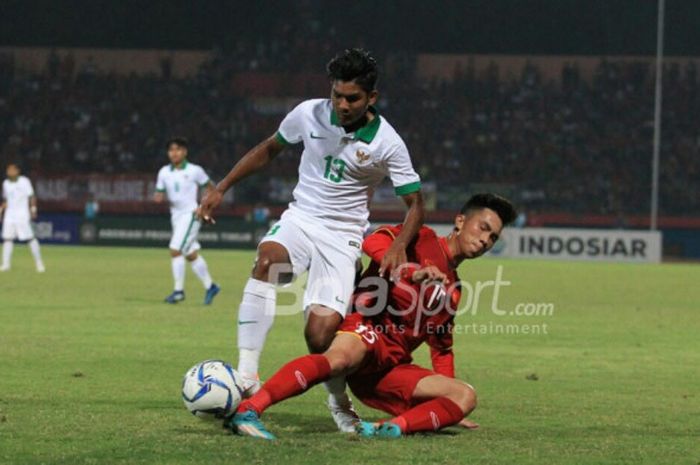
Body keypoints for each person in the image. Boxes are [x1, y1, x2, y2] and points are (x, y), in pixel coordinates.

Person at [198, 48, 425, 432]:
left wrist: (401, 242)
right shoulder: (308, 113)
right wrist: (223, 187)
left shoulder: (388, 143)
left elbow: (415, 203)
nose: (341, 104)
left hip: (342, 238)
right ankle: (249, 376)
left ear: (371, 98)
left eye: (352, 98)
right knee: (266, 261)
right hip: (301, 218)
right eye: (337, 94)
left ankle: (339, 403)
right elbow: (269, 149)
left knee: (319, 335)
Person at [229, 194, 517, 439]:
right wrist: (409, 271)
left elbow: (442, 348)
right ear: (460, 221)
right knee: (339, 359)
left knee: (465, 396)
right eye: (483, 228)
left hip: (389, 368)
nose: (485, 240)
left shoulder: (453, 290)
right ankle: (249, 409)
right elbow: (373, 242)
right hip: (365, 329)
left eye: (492, 237)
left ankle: (385, 429)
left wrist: (447, 403)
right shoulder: (422, 238)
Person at [154, 137, 220, 305]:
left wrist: (204, 207)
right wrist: (158, 197)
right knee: (190, 254)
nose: (174, 153)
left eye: (177, 149)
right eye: (171, 150)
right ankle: (210, 286)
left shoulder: (194, 170)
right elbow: (159, 193)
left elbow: (212, 189)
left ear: (185, 152)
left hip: (191, 214)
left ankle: (178, 292)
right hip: (175, 216)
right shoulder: (164, 172)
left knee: (175, 249)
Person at [1, 163, 45, 272]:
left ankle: (39, 263)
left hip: (22, 215)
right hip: (9, 216)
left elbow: (32, 196)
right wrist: (1, 211)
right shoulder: (5, 183)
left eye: (11, 170)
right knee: (7, 239)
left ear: (17, 171)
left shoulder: (24, 181)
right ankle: (6, 265)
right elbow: (6, 200)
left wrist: (33, 209)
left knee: (29, 238)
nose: (9, 172)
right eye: (8, 170)